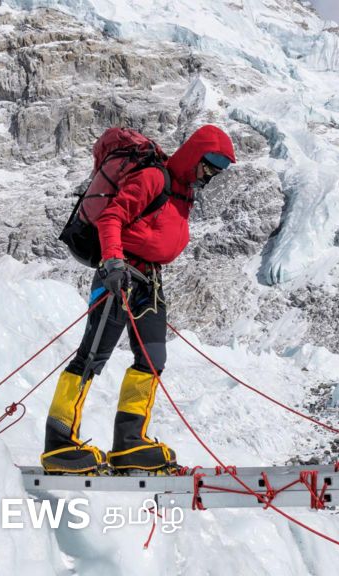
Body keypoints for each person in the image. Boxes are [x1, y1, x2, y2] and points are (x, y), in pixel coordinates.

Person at [42, 125, 236, 475]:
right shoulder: (154, 178)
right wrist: (113, 262)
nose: (211, 173)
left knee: (152, 359)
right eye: (210, 164)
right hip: (120, 274)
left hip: (149, 282)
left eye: (218, 169)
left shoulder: (183, 192)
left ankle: (129, 443)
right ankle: (59, 442)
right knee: (92, 357)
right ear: (195, 155)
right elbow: (112, 217)